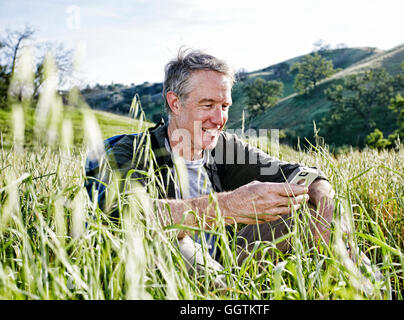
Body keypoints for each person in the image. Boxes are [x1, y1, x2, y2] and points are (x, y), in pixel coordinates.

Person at [88, 48, 335, 285]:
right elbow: (118, 215)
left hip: (228, 262)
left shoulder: (225, 147)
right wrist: (227, 207)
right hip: (162, 270)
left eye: (224, 107)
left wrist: (323, 198)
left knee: (309, 206)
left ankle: (366, 287)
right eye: (207, 105)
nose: (219, 120)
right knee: (175, 242)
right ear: (175, 103)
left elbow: (296, 174)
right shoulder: (130, 151)